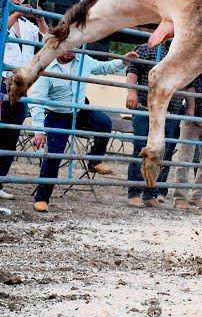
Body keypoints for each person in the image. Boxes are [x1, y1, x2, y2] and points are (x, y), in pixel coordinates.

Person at [29, 49, 136, 212]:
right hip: (57, 114)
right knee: (54, 155)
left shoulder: (83, 59)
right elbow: (37, 101)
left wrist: (122, 61)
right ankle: (42, 198)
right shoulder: (47, 68)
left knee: (104, 123)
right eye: (66, 48)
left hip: (79, 110)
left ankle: (94, 160)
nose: (69, 53)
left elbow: (103, 67)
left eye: (74, 48)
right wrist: (39, 129)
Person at [0, 0, 49, 200]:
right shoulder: (4, 21)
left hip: (21, 87)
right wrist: (17, 12)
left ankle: (0, 180)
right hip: (3, 83)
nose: (16, 0)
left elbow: (48, 40)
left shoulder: (28, 28)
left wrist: (40, 19)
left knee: (12, 135)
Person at [126, 42, 184, 208]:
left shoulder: (180, 51)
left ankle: (151, 193)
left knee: (164, 154)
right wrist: (131, 92)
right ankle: (135, 193)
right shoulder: (146, 48)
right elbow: (132, 70)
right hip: (146, 109)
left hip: (171, 113)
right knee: (141, 149)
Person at [173, 72, 202, 209]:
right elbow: (189, 94)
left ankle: (196, 196)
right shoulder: (194, 76)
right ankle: (180, 197)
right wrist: (193, 114)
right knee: (184, 159)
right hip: (191, 123)